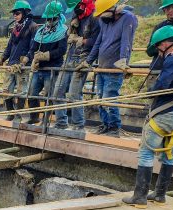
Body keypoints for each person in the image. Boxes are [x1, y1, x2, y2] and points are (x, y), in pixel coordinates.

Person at [123, 26, 173, 208]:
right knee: (168, 152)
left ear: (164, 44)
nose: (158, 51)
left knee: (146, 152)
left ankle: (140, 197)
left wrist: (150, 91)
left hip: (163, 114)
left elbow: (163, 86)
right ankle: (160, 195)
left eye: (158, 47)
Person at [76, 0, 138, 136]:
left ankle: (114, 127)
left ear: (112, 9)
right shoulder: (105, 21)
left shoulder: (128, 18)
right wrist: (88, 61)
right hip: (102, 67)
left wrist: (123, 62)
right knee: (100, 99)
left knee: (109, 99)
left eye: (103, 13)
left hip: (115, 68)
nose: (100, 17)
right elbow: (98, 42)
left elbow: (126, 41)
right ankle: (105, 124)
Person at [53, 0, 100, 130]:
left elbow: (97, 41)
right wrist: (70, 31)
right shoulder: (76, 16)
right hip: (70, 57)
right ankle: (61, 122)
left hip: (83, 57)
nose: (74, 11)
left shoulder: (95, 18)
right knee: (57, 92)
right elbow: (67, 37)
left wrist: (82, 40)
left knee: (74, 93)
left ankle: (78, 124)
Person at [0, 1, 38, 121]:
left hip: (23, 65)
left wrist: (24, 62)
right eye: (14, 14)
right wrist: (1, 60)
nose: (15, 16)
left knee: (21, 91)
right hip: (11, 63)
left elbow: (33, 47)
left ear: (25, 13)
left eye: (17, 13)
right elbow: (9, 46)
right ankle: (10, 113)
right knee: (6, 89)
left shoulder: (33, 26)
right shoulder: (15, 28)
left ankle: (18, 115)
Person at [24, 1, 68, 125]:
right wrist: (34, 58)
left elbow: (62, 50)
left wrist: (47, 55)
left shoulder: (63, 31)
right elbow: (33, 48)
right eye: (48, 18)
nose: (49, 21)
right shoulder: (41, 31)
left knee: (49, 95)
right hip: (39, 68)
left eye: (52, 18)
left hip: (53, 67)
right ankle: (34, 116)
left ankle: (46, 119)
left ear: (58, 17)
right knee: (32, 93)